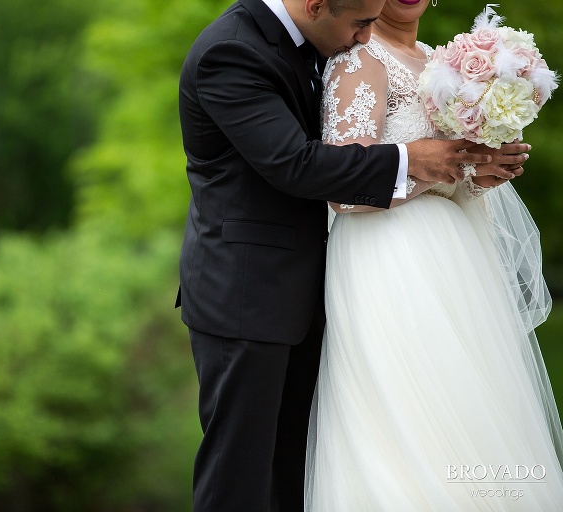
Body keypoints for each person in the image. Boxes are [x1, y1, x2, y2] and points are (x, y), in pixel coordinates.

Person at [176, 0, 528, 510]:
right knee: (240, 475)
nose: (367, 37)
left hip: (317, 286)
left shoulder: (316, 39)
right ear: (316, 5)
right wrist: (415, 160)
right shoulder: (231, 51)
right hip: (247, 293)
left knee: (298, 477)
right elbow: (294, 163)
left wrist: (467, 168)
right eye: (362, 22)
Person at [304, 0, 563, 509]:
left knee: (471, 408)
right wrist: (440, 169)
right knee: (411, 412)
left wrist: (481, 171)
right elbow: (343, 190)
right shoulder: (358, 59)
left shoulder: (436, 61)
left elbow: (451, 172)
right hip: (390, 257)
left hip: (458, 259)